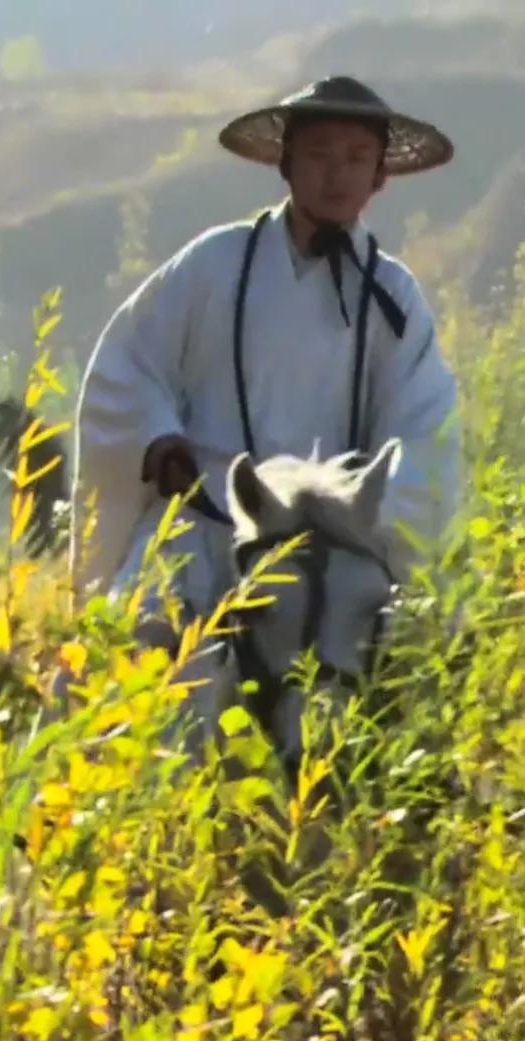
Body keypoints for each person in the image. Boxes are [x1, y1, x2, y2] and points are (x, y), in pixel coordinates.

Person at [69, 74, 464, 662]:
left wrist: (358, 514)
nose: (338, 174)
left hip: (328, 552)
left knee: (384, 683)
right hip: (199, 529)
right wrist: (156, 439)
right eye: (320, 155)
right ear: (287, 164)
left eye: (357, 159)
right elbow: (127, 366)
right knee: (130, 660)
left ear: (380, 176)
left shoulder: (392, 294)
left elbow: (425, 432)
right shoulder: (213, 262)